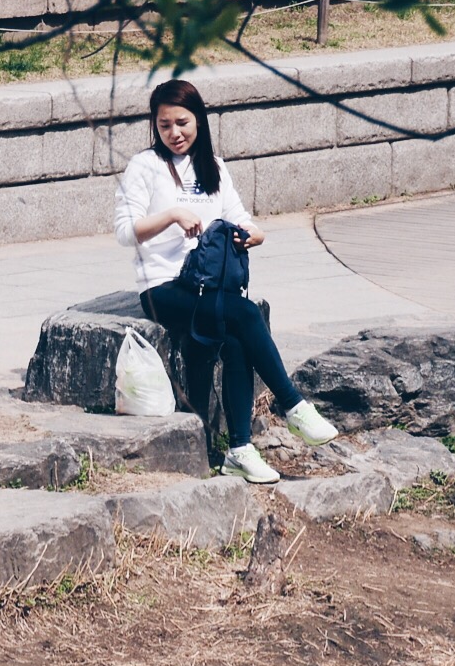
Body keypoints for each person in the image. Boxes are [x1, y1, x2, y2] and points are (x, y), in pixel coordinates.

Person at [114, 77, 341, 483]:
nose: (174, 133)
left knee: (236, 338)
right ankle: (291, 404)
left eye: (181, 122)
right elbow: (124, 232)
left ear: (198, 119)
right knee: (244, 314)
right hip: (165, 289)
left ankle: (239, 450)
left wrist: (254, 233)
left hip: (212, 284)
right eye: (164, 125)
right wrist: (171, 215)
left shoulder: (214, 168)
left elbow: (239, 216)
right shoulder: (144, 166)